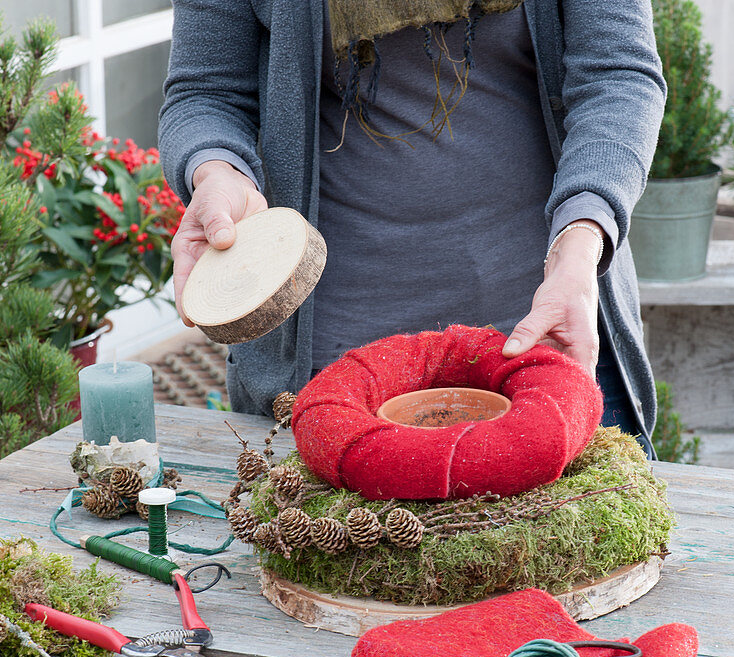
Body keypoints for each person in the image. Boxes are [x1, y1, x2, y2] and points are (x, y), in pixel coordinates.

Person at [159, 0, 665, 457]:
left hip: (544, 336)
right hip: (333, 370)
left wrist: (581, 239)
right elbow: (207, 93)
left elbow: (617, 77)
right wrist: (217, 169)